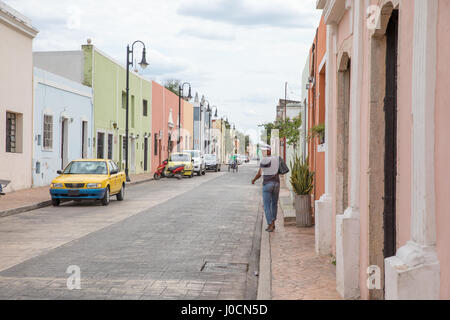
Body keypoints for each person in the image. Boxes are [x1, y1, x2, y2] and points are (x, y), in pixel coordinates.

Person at [251, 145, 282, 232]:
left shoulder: (264, 160)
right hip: (276, 184)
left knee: (267, 205)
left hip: (267, 185)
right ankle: (273, 222)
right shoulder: (276, 159)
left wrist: (254, 179)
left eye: (263, 151)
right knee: (274, 204)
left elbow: (260, 173)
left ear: (267, 151)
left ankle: (270, 224)